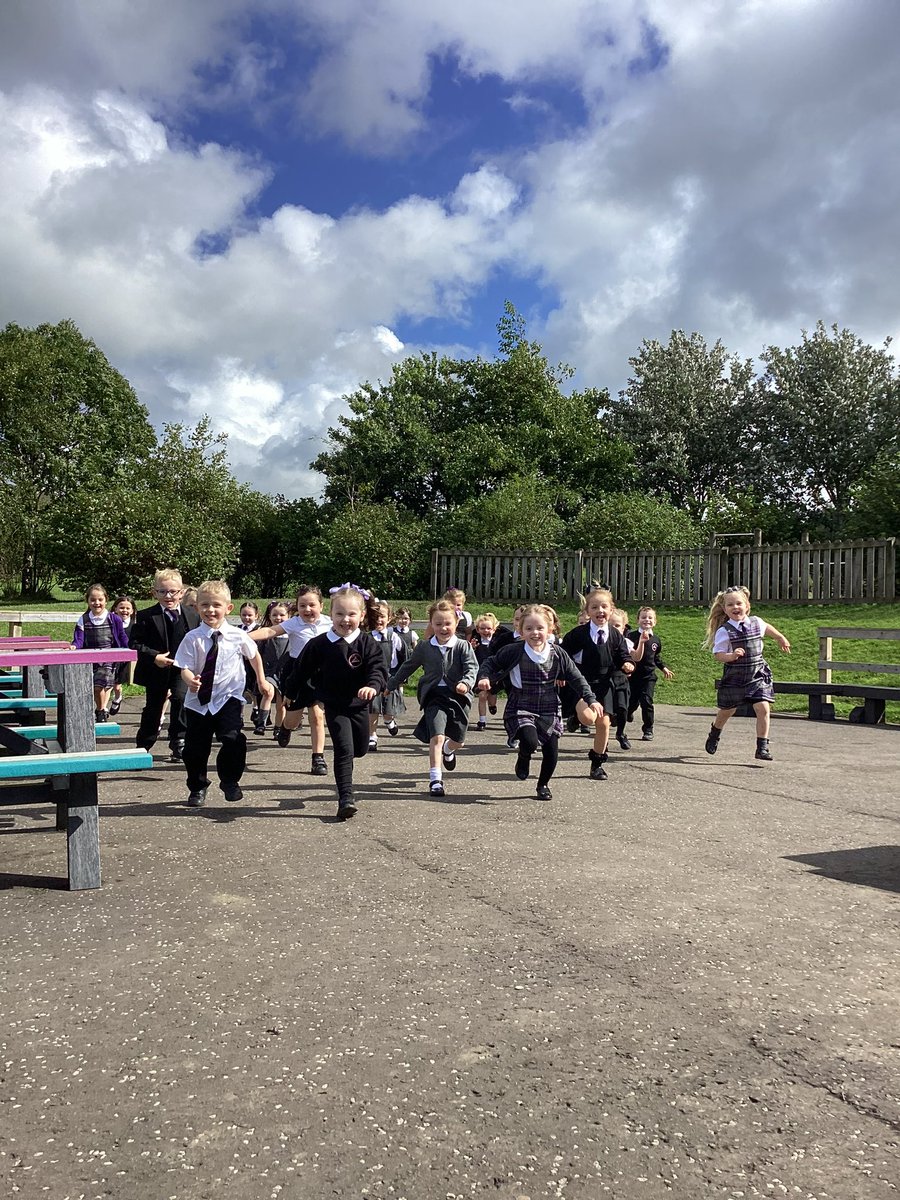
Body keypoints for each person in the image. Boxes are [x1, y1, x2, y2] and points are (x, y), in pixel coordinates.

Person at [477, 604, 602, 801]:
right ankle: (523, 757)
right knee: (529, 740)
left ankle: (542, 784)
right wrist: (484, 676)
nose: (535, 633)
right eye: (529, 629)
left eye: (540, 628)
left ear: (549, 629)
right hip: (521, 704)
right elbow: (491, 662)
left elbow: (576, 677)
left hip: (549, 705)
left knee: (551, 751)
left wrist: (591, 699)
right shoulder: (513, 650)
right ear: (521, 631)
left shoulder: (558, 653)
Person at [173, 580, 273, 808]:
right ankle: (197, 786)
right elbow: (183, 666)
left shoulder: (238, 636)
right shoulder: (192, 638)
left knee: (233, 739)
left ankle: (229, 781)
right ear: (197, 608)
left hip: (228, 699)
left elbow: (254, 656)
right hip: (198, 702)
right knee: (195, 749)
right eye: (205, 605)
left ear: (228, 608)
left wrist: (261, 679)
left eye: (216, 605)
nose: (210, 610)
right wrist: (190, 680)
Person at [290, 585, 387, 820]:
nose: (345, 620)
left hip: (360, 705)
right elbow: (300, 670)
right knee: (344, 750)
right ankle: (345, 798)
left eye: (351, 614)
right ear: (330, 615)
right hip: (334, 704)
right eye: (340, 614)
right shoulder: (320, 644)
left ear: (362, 616)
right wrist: (290, 693)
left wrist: (372, 687)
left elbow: (378, 670)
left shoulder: (368, 644)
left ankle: (348, 775)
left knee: (360, 749)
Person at [386, 598, 478, 797]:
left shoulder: (463, 646)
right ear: (431, 624)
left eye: (448, 624)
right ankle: (436, 779)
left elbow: (472, 668)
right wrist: (390, 685)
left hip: (458, 698)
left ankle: (449, 750)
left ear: (456, 623)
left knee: (458, 740)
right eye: (438, 624)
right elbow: (407, 667)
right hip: (434, 696)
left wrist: (466, 683)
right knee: (436, 736)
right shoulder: (424, 647)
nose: (443, 628)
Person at [703, 586, 791, 761]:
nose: (735, 607)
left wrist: (780, 638)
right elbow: (718, 655)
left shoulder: (757, 622)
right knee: (727, 710)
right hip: (736, 675)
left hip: (757, 673)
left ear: (747, 606)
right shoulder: (724, 631)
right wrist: (732, 655)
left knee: (763, 708)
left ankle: (762, 747)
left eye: (738, 603)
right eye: (730, 605)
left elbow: (768, 629)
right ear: (725, 609)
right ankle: (715, 732)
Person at [251, 584, 331, 775]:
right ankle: (286, 727)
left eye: (312, 605)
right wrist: (244, 637)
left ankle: (318, 758)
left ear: (321, 606)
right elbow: (270, 631)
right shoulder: (294, 623)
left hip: (321, 675)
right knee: (293, 720)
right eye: (302, 605)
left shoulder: (330, 623)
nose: (307, 609)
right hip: (298, 673)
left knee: (318, 716)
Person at [561, 586, 631, 780]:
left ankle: (597, 764)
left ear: (611, 609)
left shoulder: (616, 635)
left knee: (604, 722)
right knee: (589, 719)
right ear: (588, 612)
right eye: (594, 607)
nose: (600, 611)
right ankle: (576, 715)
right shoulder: (578, 634)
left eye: (604, 606)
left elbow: (622, 654)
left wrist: (627, 664)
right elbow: (562, 654)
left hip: (604, 683)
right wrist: (561, 674)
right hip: (582, 682)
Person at [130, 569, 201, 760]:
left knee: (180, 699)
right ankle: (144, 744)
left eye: (173, 592)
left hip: (181, 668)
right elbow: (134, 643)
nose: (168, 596)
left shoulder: (192, 615)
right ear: (154, 593)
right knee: (154, 706)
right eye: (162, 592)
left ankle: (179, 741)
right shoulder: (146, 616)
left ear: (182, 592)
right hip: (157, 669)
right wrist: (154, 656)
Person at [71, 584, 130, 722]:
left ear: (106, 600)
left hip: (109, 657)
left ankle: (101, 711)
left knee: (100, 686)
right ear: (88, 601)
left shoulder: (113, 619)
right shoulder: (83, 619)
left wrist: (129, 648)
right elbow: (79, 639)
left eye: (100, 600)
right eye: (93, 600)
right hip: (90, 658)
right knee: (95, 687)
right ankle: (101, 709)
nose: (97, 603)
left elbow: (121, 637)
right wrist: (74, 646)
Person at [625, 606, 674, 744]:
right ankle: (628, 712)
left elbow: (655, 657)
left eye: (650, 617)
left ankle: (648, 729)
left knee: (647, 701)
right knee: (632, 702)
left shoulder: (656, 640)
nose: (647, 620)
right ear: (638, 620)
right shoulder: (631, 636)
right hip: (633, 677)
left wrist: (663, 668)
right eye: (644, 617)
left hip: (648, 677)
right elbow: (627, 654)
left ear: (655, 621)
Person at [367, 600, 407, 747]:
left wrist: (402, 677)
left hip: (390, 677)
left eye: (382, 616)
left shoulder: (394, 637)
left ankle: (389, 721)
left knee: (388, 710)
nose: (379, 620)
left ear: (389, 618)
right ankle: (372, 736)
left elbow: (403, 657)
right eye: (376, 617)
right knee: (373, 708)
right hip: (372, 678)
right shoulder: (368, 638)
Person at [254, 600, 291, 736]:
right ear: (269, 616)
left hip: (285, 673)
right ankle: (261, 723)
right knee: (268, 693)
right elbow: (257, 653)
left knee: (281, 704)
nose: (278, 618)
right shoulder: (265, 634)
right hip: (269, 671)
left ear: (289, 617)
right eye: (274, 615)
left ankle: (278, 728)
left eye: (282, 615)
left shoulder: (292, 635)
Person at [609, 608, 636, 749]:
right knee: (605, 712)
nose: (614, 628)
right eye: (611, 624)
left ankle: (620, 733)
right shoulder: (602, 640)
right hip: (605, 680)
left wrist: (629, 664)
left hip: (621, 679)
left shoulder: (626, 642)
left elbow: (634, 657)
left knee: (622, 708)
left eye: (617, 625)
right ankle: (603, 740)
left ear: (624, 627)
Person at [470, 612, 500, 731]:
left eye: (488, 628)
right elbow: (469, 656)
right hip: (480, 673)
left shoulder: (496, 642)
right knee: (482, 695)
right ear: (477, 629)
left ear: (494, 629)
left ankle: (492, 706)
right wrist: (472, 648)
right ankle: (482, 721)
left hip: (493, 673)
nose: (485, 631)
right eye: (482, 628)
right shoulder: (475, 642)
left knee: (491, 696)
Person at [108, 594, 137, 716]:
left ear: (132, 611)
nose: (124, 611)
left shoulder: (134, 625)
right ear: (115, 609)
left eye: (127, 608)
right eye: (121, 607)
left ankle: (117, 698)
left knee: (117, 685)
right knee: (107, 683)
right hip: (111, 655)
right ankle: (103, 709)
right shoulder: (110, 622)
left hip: (125, 658)